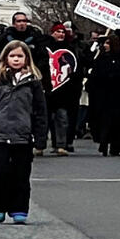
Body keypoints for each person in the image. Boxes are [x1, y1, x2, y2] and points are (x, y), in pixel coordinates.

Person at [0, 41, 50, 224]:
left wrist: (40, 137)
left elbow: (40, 111)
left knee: (21, 175)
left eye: (20, 56)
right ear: (5, 58)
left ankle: (19, 209)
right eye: (12, 56)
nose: (16, 59)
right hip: (0, 134)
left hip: (23, 136)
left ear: (26, 59)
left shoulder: (33, 82)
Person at [87, 31, 120, 156]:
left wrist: (114, 76)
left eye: (107, 43)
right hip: (105, 96)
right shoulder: (102, 58)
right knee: (106, 122)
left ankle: (119, 146)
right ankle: (105, 144)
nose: (105, 46)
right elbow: (96, 75)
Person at [41, 22, 87, 155]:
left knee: (62, 117)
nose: (60, 34)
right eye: (58, 32)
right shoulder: (45, 48)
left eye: (62, 32)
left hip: (65, 89)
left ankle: (61, 144)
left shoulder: (70, 48)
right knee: (46, 118)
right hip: (49, 88)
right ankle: (43, 144)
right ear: (52, 33)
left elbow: (75, 67)